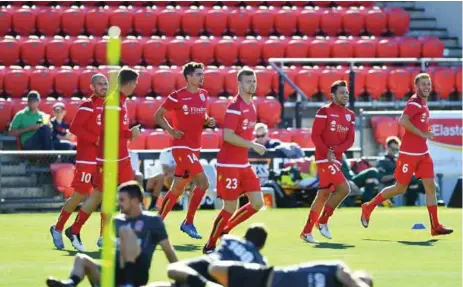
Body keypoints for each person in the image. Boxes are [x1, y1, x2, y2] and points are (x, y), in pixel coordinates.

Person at [361, 73, 453, 236]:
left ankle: (435, 226)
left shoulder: (423, 103)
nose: (427, 87)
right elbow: (402, 121)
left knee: (430, 187)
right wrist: (422, 133)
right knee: (399, 188)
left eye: (429, 84)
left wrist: (426, 131)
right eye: (423, 84)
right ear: (416, 86)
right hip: (408, 155)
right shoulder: (414, 103)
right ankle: (369, 206)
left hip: (423, 154)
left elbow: (421, 123)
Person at [46, 181, 178, 287]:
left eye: (122, 200)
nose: (119, 204)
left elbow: (168, 250)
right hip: (113, 273)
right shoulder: (117, 221)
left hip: (137, 275)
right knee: (81, 259)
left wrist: (180, 273)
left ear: (134, 200)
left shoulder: (153, 221)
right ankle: (70, 284)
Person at [65, 68, 141, 252]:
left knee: (118, 194)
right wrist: (131, 133)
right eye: (135, 84)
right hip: (110, 159)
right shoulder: (115, 102)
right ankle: (77, 230)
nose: (136, 87)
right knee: (103, 194)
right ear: (129, 84)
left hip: (120, 157)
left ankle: (106, 236)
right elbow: (109, 130)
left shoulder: (120, 100)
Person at [203, 68, 266, 254]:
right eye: (248, 82)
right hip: (229, 164)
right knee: (230, 206)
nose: (252, 84)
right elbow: (228, 135)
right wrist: (253, 145)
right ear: (239, 84)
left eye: (254, 81)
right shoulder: (234, 107)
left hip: (243, 164)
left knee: (257, 203)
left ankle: (226, 230)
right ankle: (210, 245)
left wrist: (250, 145)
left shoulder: (252, 105)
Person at [154, 62, 215, 240]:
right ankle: (188, 222)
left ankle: (156, 225)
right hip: (181, 147)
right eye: (198, 74)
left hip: (195, 148)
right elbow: (158, 115)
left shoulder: (204, 95)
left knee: (178, 188)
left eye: (202, 74)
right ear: (188, 77)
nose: (202, 77)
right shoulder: (177, 96)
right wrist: (171, 131)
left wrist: (207, 121)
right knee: (203, 183)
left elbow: (200, 117)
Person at [50, 74, 108, 250]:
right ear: (92, 87)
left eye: (105, 83)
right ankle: (58, 228)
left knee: (105, 195)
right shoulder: (87, 106)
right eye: (99, 84)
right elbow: (74, 128)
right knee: (79, 196)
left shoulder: (108, 107)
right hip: (86, 158)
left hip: (102, 159)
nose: (104, 86)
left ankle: (103, 237)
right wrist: (95, 139)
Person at [300, 80, 355, 243]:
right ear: (332, 95)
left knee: (323, 194)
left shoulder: (350, 115)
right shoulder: (324, 111)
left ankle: (306, 232)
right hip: (324, 158)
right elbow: (315, 136)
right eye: (341, 93)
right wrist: (327, 151)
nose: (345, 95)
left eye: (346, 93)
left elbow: (350, 140)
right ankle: (323, 221)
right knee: (344, 189)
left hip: (336, 158)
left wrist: (335, 151)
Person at [146, 224, 268, 287]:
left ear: (244, 236)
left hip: (206, 263)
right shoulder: (260, 261)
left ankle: (202, 283)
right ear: (261, 246)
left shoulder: (230, 239)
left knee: (173, 272)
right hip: (225, 277)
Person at [208, 260, 373, 287]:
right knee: (214, 269)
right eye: (361, 278)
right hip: (268, 278)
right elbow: (348, 278)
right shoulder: (338, 269)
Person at [376, 136, 433, 206]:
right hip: (391, 184)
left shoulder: (401, 160)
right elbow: (381, 178)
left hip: (406, 182)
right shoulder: (382, 161)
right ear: (387, 147)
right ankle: (410, 204)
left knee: (425, 181)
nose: (394, 151)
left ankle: (435, 203)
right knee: (409, 184)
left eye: (396, 149)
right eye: (392, 149)